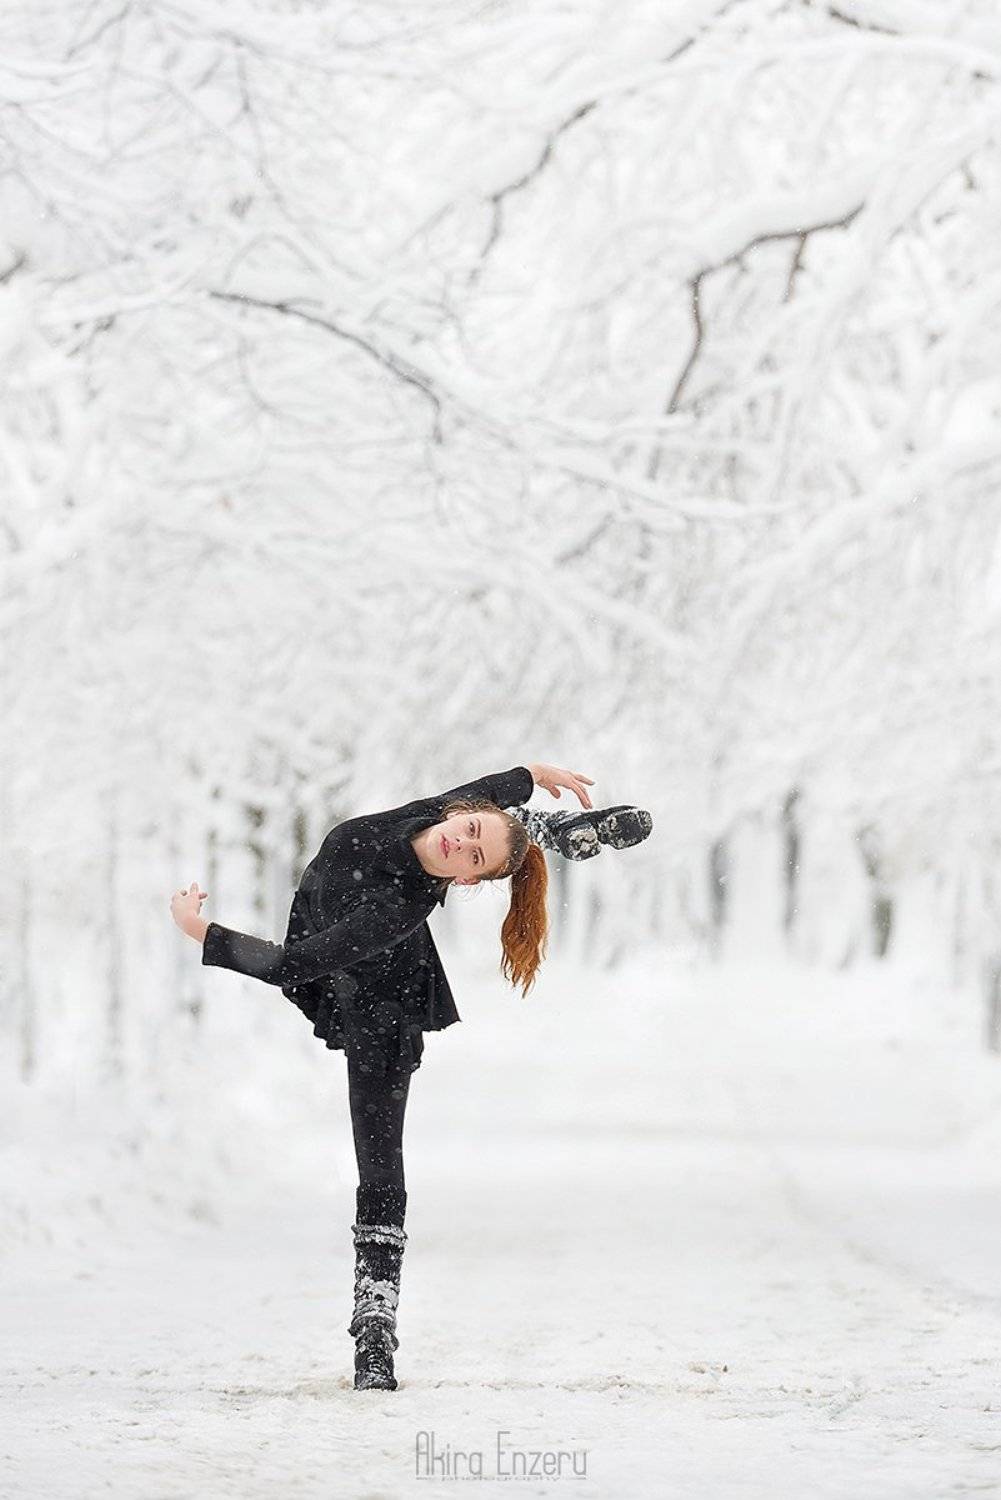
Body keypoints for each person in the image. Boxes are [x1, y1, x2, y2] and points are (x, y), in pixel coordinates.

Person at [170, 762, 652, 1391]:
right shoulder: (438, 813)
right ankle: (547, 832)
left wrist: (202, 932)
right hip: (355, 949)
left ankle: (375, 1315)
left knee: (378, 1160)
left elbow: (294, 965)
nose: (460, 842)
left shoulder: (401, 906)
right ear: (461, 811)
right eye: (470, 828)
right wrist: (532, 774)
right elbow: (491, 794)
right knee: (508, 822)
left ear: (468, 878)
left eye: (473, 856)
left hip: (383, 1008)